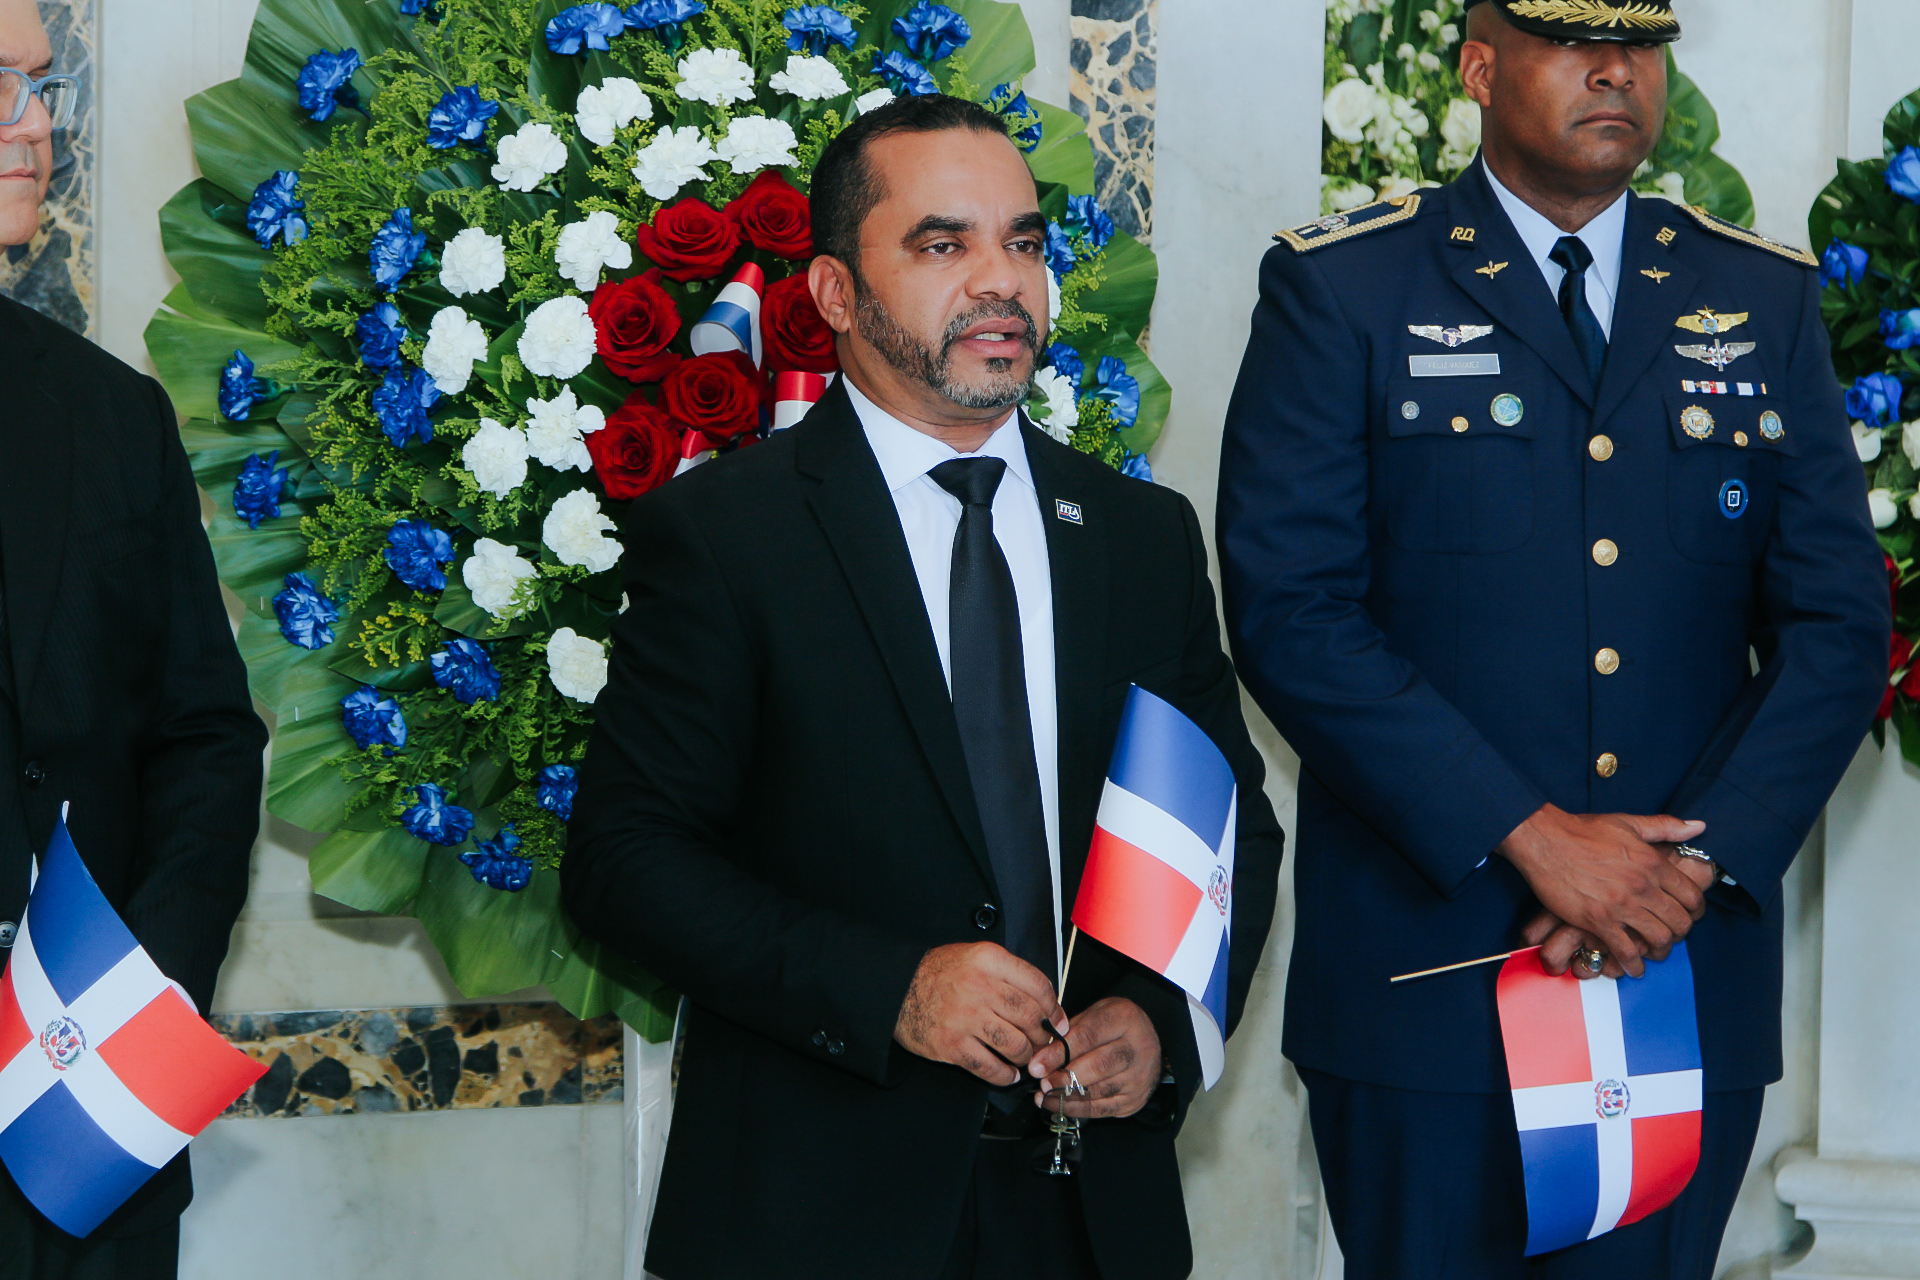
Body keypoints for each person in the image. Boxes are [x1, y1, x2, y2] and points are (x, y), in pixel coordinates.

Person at [1219, 1, 1888, 1276]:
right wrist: (1534, 835)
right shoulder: (1345, 286)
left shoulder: (1757, 296)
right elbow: (1290, 607)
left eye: (1639, 46)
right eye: (1573, 42)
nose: (1614, 70)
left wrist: (1681, 872)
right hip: (1435, 985)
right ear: (1479, 66)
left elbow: (1839, 628)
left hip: (1681, 974)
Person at [565, 93, 1284, 1280]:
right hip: (813, 1211)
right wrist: (891, 986)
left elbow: (1228, 827)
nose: (1000, 281)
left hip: (1093, 1215)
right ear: (836, 294)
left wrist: (1159, 1022)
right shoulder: (728, 532)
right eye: (943, 244)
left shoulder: (1139, 533)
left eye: (1024, 241)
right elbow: (627, 859)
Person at [0, 1, 267, 1274]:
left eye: (43, 87)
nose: (37, 125)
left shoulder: (107, 415)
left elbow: (205, 734)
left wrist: (141, 995)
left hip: (82, 1130)